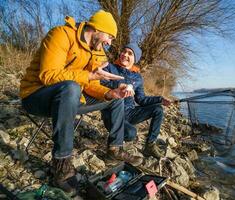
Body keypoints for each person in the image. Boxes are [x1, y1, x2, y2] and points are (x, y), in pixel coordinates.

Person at [19, 11, 142, 194]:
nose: (109, 42)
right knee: (71, 87)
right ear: (98, 29)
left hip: (71, 98)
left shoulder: (98, 52)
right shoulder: (61, 34)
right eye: (109, 36)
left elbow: (91, 84)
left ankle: (115, 149)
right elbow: (48, 75)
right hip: (36, 96)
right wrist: (88, 76)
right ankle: (61, 164)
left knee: (115, 98)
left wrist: (110, 92)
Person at [101, 43, 172, 159]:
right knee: (131, 133)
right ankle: (113, 149)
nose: (125, 55)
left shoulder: (137, 77)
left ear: (135, 59)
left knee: (158, 109)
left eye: (130, 53)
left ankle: (149, 145)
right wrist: (119, 85)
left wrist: (160, 99)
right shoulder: (110, 67)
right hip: (111, 113)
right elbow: (99, 82)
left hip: (130, 112)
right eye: (124, 51)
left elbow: (141, 99)